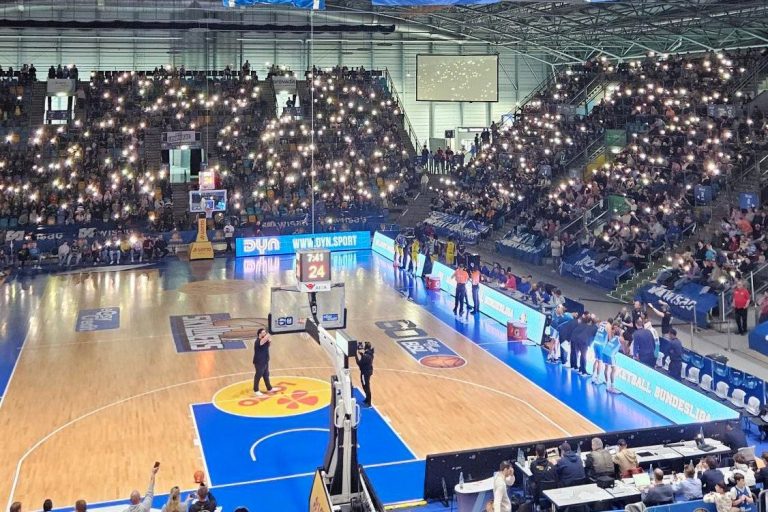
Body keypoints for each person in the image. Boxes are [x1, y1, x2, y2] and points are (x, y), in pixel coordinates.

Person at [602, 325, 623, 393]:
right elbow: (625, 350)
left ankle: (607, 386)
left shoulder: (613, 338)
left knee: (606, 368)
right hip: (610, 355)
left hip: (604, 352)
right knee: (613, 369)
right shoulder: (620, 339)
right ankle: (612, 387)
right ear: (620, 333)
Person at [252, 328, 273, 396]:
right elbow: (264, 339)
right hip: (259, 362)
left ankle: (269, 388)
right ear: (259, 334)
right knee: (258, 375)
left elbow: (268, 345)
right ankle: (256, 390)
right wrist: (272, 330)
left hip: (265, 361)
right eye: (263, 333)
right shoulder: (258, 341)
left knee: (266, 375)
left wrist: (269, 341)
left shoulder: (265, 341)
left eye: (265, 332)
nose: (265, 333)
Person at [355, 341, 374, 407]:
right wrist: (362, 355)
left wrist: (355, 356)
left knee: (366, 386)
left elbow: (359, 363)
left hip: (364, 373)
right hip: (368, 371)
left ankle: (369, 401)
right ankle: (367, 399)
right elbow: (366, 358)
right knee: (366, 385)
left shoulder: (366, 356)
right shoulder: (370, 353)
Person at [590, 319, 609, 385]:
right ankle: (597, 378)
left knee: (596, 360)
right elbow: (609, 337)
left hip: (595, 342)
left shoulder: (601, 323)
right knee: (600, 361)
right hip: (601, 344)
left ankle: (593, 376)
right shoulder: (608, 326)